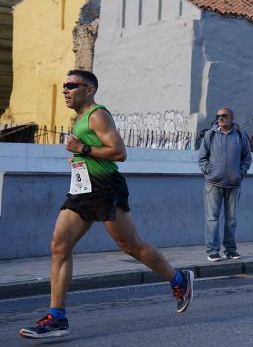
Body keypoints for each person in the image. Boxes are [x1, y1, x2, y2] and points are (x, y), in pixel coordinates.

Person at [19, 70, 194, 340]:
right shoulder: (79, 119)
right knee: (59, 246)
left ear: (89, 90)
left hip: (105, 187)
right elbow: (89, 152)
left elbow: (119, 152)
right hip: (83, 189)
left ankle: (179, 280)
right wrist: (80, 157)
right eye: (64, 85)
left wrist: (83, 150)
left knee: (130, 245)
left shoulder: (97, 114)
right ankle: (57, 318)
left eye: (71, 85)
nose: (65, 90)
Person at [198, 107, 252, 261]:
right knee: (212, 219)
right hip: (213, 184)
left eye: (224, 115)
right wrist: (209, 171)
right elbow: (202, 158)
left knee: (231, 219)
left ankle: (230, 250)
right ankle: (212, 251)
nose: (220, 118)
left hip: (234, 184)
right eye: (218, 116)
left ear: (231, 117)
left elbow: (247, 158)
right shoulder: (210, 135)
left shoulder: (240, 136)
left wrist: (241, 173)